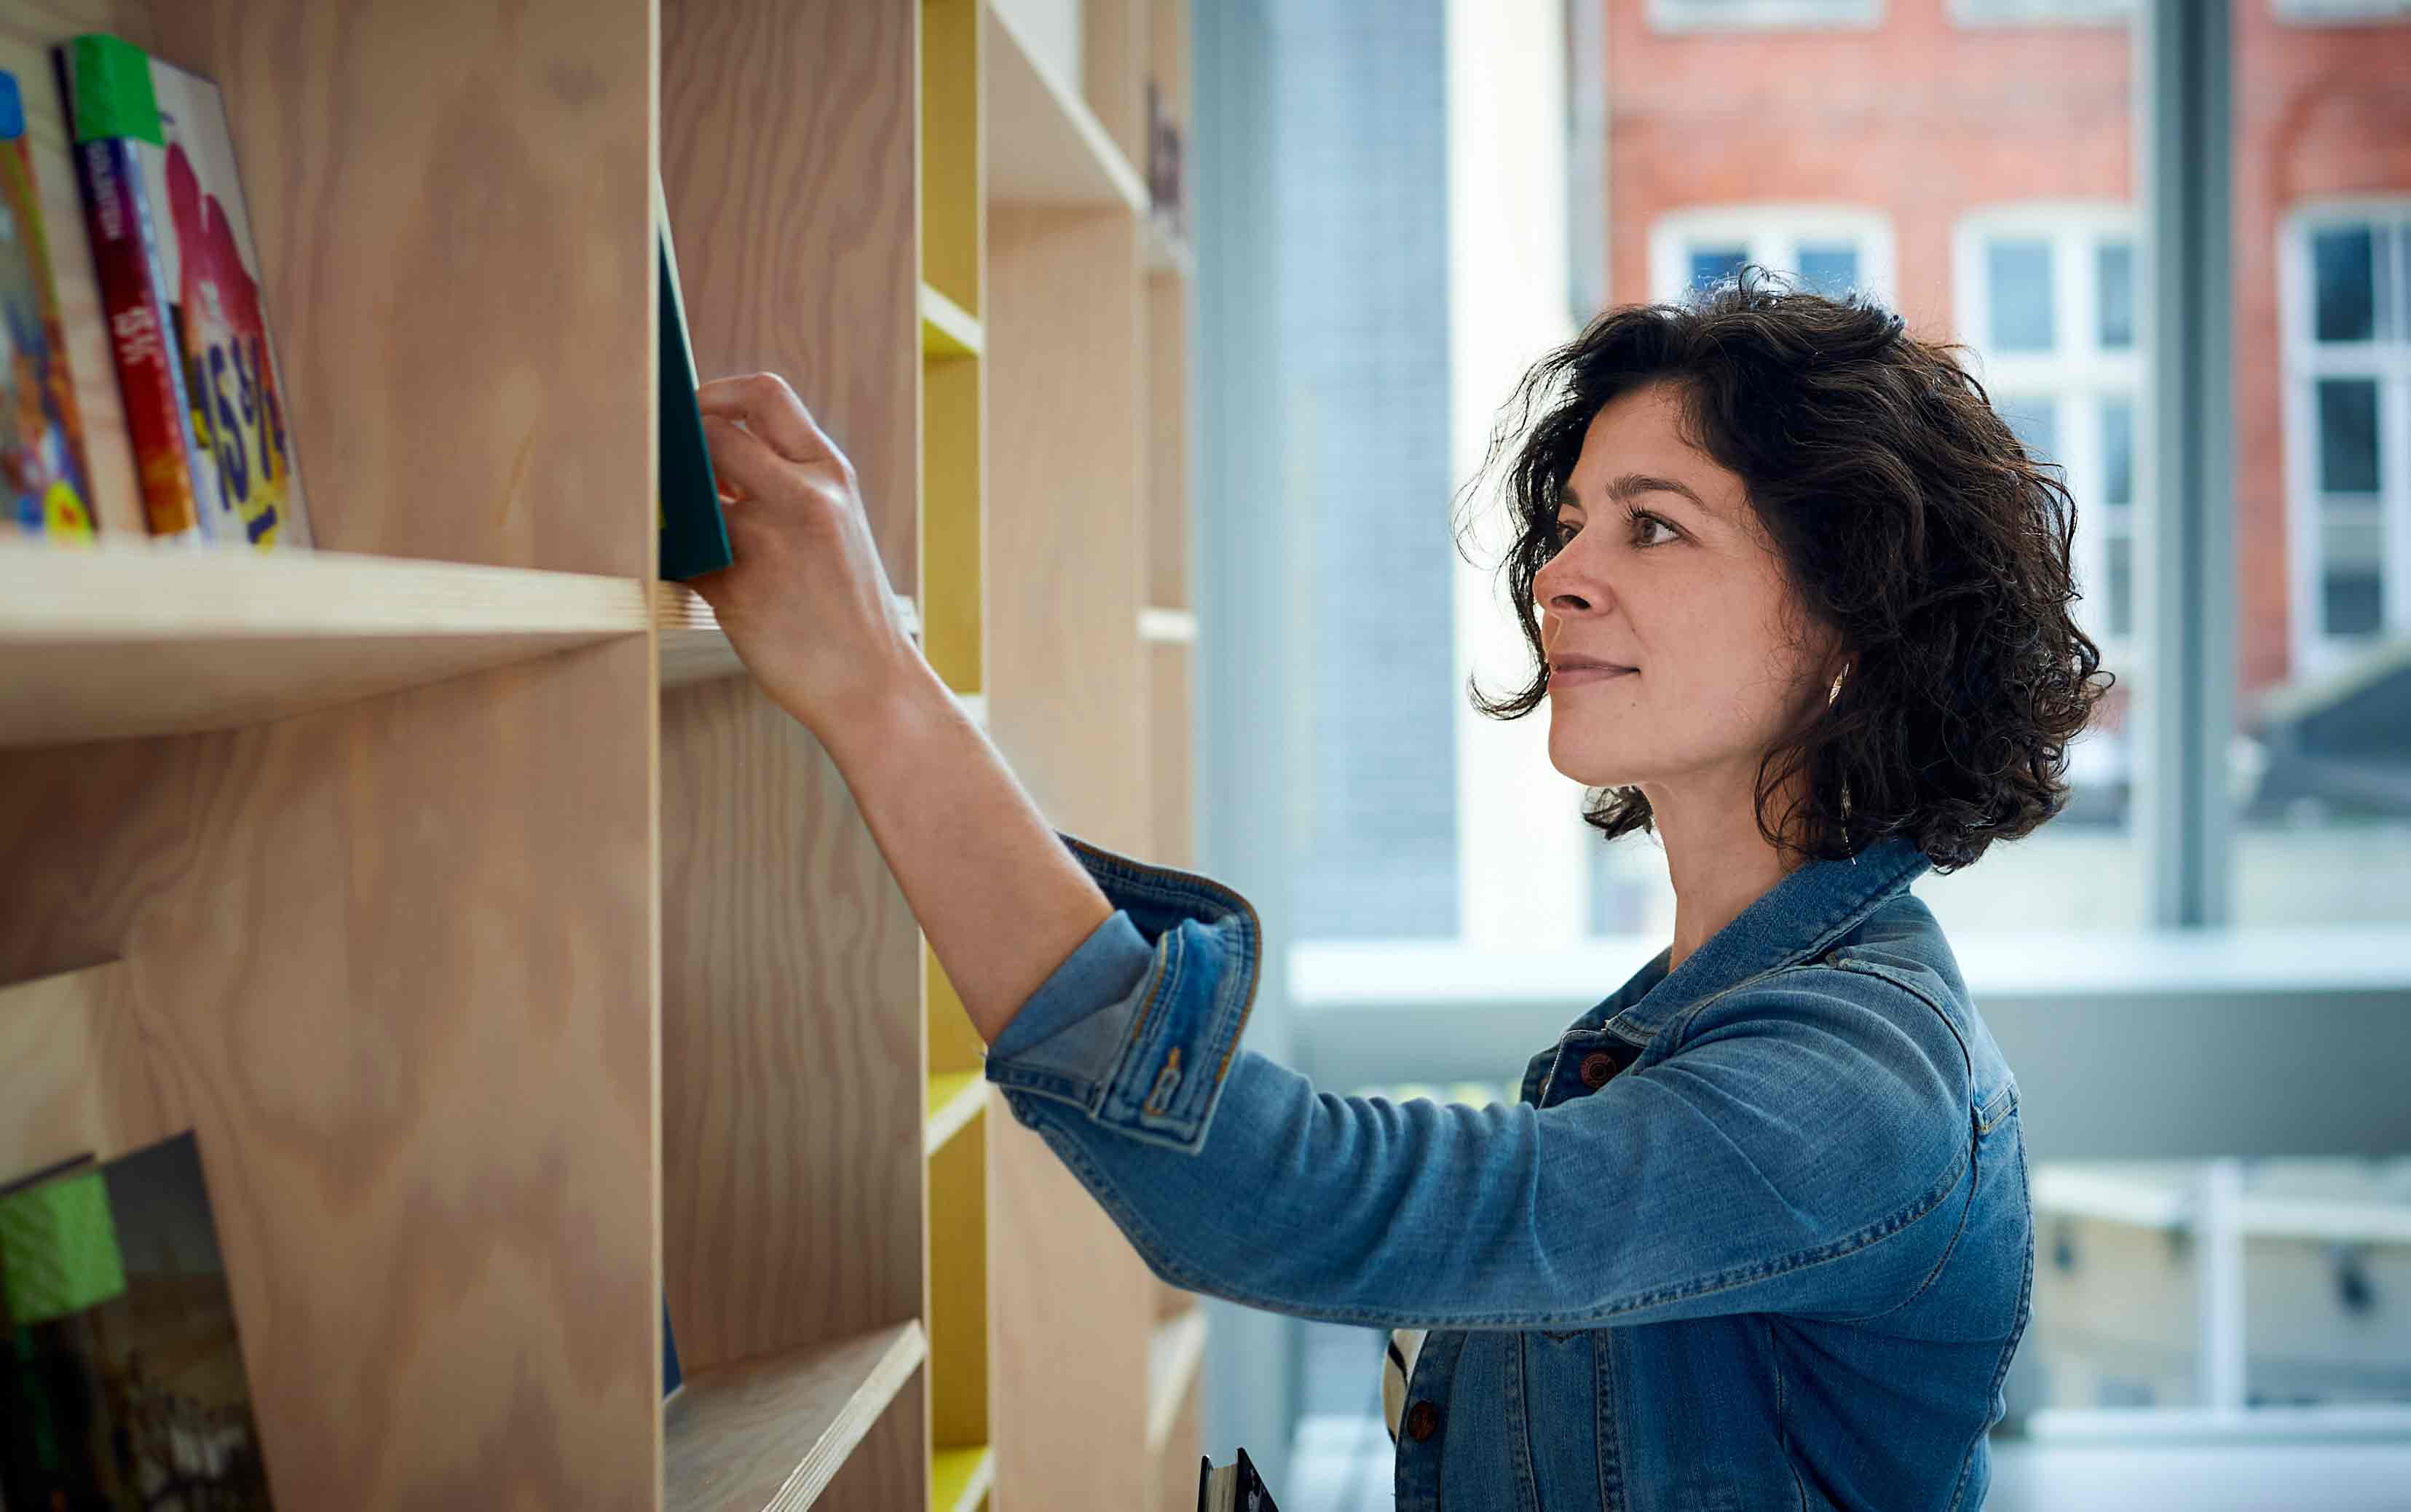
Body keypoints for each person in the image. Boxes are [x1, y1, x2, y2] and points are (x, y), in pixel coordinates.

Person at [687, 267, 2112, 1511]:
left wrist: (875, 685)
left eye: (1653, 527)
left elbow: (1285, 1196)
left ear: (1851, 620)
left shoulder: (1851, 1087)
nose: (1560, 574)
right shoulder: (1701, 1013)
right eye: (1566, 522)